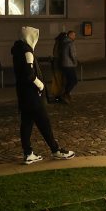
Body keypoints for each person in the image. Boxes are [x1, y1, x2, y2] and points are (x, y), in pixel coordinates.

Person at [11, 26, 74, 164]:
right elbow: (29, 74)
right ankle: (55, 150)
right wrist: (40, 85)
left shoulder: (18, 50)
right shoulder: (27, 52)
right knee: (43, 122)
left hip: (23, 94)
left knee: (27, 123)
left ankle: (28, 153)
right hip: (32, 95)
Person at [57, 30, 79, 104]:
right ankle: (65, 94)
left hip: (64, 64)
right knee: (74, 81)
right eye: (73, 35)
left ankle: (66, 94)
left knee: (69, 80)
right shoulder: (70, 43)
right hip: (69, 65)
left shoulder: (63, 42)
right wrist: (75, 62)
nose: (74, 37)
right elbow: (73, 54)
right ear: (70, 35)